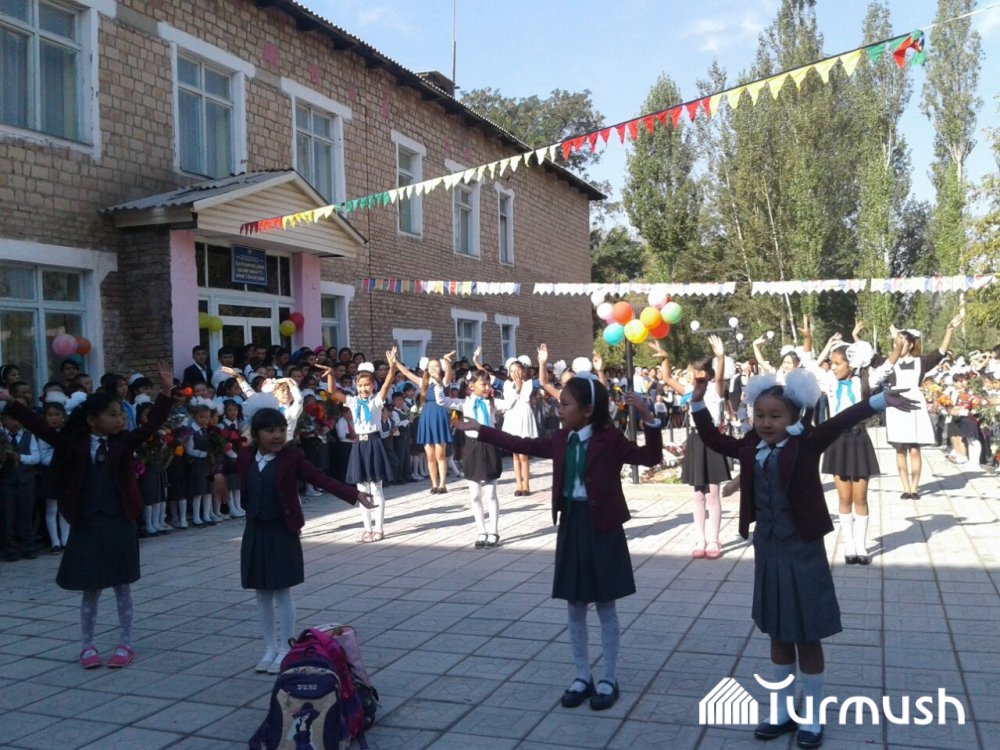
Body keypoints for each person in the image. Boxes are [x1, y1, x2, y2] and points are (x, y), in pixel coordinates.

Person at [689, 367, 917, 748]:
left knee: (808, 636)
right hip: (769, 551)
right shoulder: (750, 447)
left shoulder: (805, 444)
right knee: (778, 632)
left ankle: (811, 715)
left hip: (803, 551)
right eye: (760, 415)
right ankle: (780, 711)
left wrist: (879, 400)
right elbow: (713, 439)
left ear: (794, 417)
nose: (766, 423)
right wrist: (697, 403)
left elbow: (840, 421)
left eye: (775, 416)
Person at [456, 371, 663, 711]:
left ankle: (609, 678)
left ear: (587, 410)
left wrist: (649, 419)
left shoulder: (609, 440)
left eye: (566, 404)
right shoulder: (561, 438)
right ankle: (582, 676)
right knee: (574, 604)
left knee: (606, 605)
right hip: (572, 526)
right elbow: (522, 444)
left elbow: (650, 458)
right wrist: (480, 429)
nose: (559, 408)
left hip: (603, 528)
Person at [0, 362, 174, 669]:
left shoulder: (123, 442)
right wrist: (12, 403)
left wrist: (166, 393)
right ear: (92, 420)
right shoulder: (73, 443)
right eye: (112, 415)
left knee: (122, 585)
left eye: (120, 414)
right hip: (88, 522)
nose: (120, 419)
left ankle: (126, 642)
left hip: (119, 520)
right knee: (90, 587)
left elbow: (150, 427)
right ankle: (87, 644)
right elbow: (41, 428)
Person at [216, 400, 375, 673]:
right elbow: (224, 461)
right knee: (261, 592)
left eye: (281, 430)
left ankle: (285, 648)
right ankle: (269, 647)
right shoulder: (246, 456)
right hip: (255, 531)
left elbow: (321, 479)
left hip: (282, 530)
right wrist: (219, 473)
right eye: (270, 431)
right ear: (256, 434)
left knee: (282, 591)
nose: (277, 436)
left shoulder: (292, 458)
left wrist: (353, 494)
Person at [651, 337, 730, 559]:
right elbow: (667, 378)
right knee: (697, 494)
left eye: (693, 370)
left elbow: (720, 377)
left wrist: (720, 357)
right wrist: (665, 358)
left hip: (713, 440)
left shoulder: (715, 388)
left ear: (703, 372)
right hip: (696, 440)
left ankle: (714, 539)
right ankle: (700, 538)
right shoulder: (688, 389)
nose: (690, 373)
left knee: (712, 493)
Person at [810, 333, 882, 565]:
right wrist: (827, 345)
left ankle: (861, 545)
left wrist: (893, 348)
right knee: (844, 497)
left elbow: (886, 368)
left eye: (837, 363)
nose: (833, 368)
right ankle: (849, 545)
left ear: (851, 364)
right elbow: (812, 368)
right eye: (831, 363)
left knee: (860, 497)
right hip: (837, 440)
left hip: (859, 439)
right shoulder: (830, 382)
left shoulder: (863, 382)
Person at [873, 314, 963, 498]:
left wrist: (949, 331)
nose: (899, 345)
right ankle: (905, 488)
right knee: (900, 450)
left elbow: (940, 352)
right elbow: (868, 359)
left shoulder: (921, 362)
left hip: (915, 407)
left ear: (911, 344)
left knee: (914, 450)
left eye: (903, 342)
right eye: (896, 342)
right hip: (896, 407)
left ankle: (914, 488)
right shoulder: (887, 362)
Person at [322, 352, 397, 541]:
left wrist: (392, 367)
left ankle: (379, 528)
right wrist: (331, 374)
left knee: (376, 488)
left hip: (374, 443)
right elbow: (333, 392)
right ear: (356, 386)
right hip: (359, 446)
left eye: (367, 385)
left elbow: (387, 384)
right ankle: (367, 528)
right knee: (362, 489)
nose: (364, 388)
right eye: (360, 385)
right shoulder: (353, 401)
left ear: (372, 386)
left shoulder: (376, 401)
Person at [437, 370, 504, 548]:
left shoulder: (492, 402)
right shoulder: (465, 403)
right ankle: (481, 530)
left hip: (489, 445)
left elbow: (511, 402)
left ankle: (494, 531)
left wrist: (508, 384)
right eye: (484, 384)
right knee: (475, 494)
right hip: (472, 447)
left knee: (491, 493)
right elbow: (442, 401)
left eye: (488, 384)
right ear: (472, 386)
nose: (487, 387)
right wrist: (438, 384)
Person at [394, 353, 455, 494]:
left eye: (436, 366)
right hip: (427, 416)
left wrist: (446, 360)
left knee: (440, 454)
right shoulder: (423, 382)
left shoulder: (444, 381)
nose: (434, 369)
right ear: (427, 368)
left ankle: (442, 484)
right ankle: (434, 484)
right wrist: (395, 362)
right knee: (430, 456)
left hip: (440, 416)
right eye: (431, 366)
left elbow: (448, 372)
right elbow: (407, 373)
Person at [498, 356, 538, 496]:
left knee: (523, 455)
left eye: (518, 370)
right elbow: (509, 401)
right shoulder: (506, 385)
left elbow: (528, 395)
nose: (515, 373)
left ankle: (526, 484)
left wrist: (520, 385)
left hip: (524, 419)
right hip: (512, 419)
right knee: (515, 455)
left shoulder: (529, 384)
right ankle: (518, 484)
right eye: (512, 371)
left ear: (523, 371)